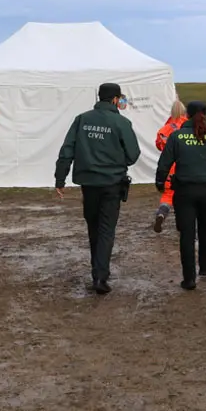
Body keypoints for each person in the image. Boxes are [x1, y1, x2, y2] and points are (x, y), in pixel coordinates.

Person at [55, 83, 141, 295]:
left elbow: (67, 150)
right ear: (114, 99)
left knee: (93, 226)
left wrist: (60, 179)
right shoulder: (121, 122)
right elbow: (133, 154)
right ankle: (100, 275)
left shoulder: (82, 119)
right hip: (112, 183)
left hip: (88, 184)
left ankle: (98, 269)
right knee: (106, 229)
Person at [155, 100, 206, 290]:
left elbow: (164, 163)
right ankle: (205, 267)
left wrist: (160, 183)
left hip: (184, 192)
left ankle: (189, 278)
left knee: (187, 235)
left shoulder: (176, 137)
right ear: (205, 114)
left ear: (187, 115)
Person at [153, 99, 188, 232]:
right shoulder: (188, 126)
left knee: (168, 196)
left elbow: (158, 145)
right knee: (185, 197)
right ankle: (183, 223)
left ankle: (161, 213)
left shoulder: (165, 129)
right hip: (185, 167)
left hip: (169, 168)